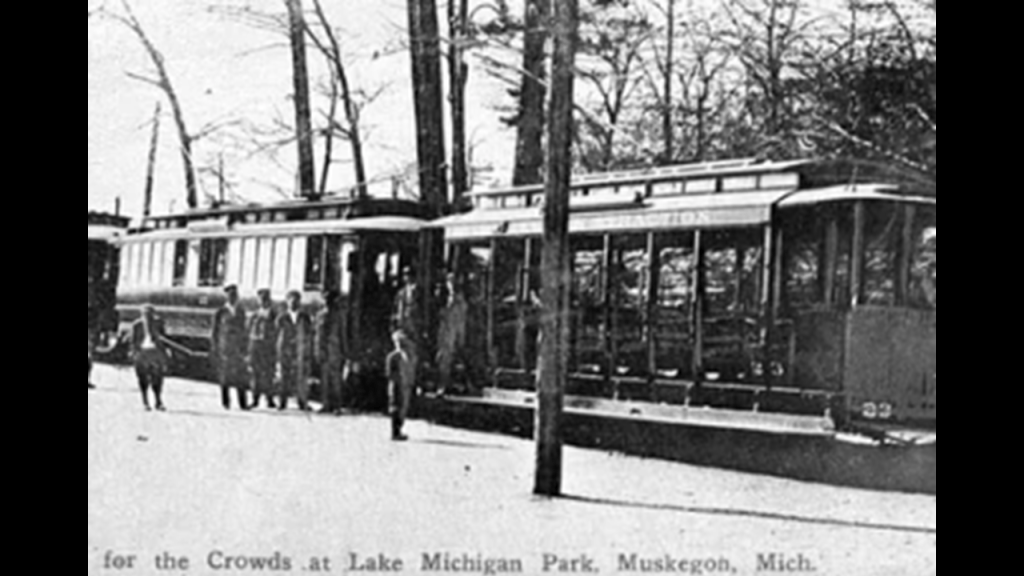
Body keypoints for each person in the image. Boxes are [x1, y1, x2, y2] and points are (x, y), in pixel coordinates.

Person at [212, 285, 250, 410]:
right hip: (225, 348)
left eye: (235, 295)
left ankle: (243, 403)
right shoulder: (221, 312)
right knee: (225, 376)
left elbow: (244, 330)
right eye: (230, 295)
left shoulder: (241, 311)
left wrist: (245, 347)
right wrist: (216, 348)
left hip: (238, 348)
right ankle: (226, 402)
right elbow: (215, 332)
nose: (233, 298)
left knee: (241, 376)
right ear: (227, 297)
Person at [276, 290, 313, 411]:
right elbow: (276, 334)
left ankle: (302, 402)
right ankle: (282, 402)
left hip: (299, 350)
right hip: (285, 350)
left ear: (299, 302)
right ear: (287, 302)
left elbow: (309, 334)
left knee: (300, 377)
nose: (293, 303)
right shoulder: (282, 318)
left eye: (296, 301)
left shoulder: (305, 317)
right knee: (284, 376)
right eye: (291, 301)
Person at [315, 289, 349, 415]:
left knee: (335, 379)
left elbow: (342, 333)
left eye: (329, 301)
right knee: (324, 378)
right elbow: (317, 334)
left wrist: (344, 351)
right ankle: (325, 404)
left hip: (335, 349)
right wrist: (317, 349)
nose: (327, 303)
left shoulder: (339, 316)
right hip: (323, 348)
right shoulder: (320, 315)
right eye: (325, 300)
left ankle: (337, 405)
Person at [131, 305, 169, 411]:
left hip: (155, 352)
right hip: (143, 353)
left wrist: (164, 350)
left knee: (157, 378)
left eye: (150, 315)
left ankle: (158, 402)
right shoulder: (137, 325)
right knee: (143, 379)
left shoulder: (158, 323)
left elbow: (165, 339)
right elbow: (133, 341)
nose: (147, 317)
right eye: (145, 314)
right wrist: (134, 353)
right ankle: (145, 402)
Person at [436, 272, 468, 395]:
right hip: (445, 333)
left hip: (452, 334)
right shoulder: (444, 299)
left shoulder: (459, 301)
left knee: (450, 359)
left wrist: (460, 336)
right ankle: (443, 383)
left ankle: (447, 384)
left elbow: (460, 320)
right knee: (443, 359)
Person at [247, 288, 277, 409]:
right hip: (256, 347)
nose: (263, 302)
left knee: (269, 374)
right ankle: (255, 399)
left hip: (268, 347)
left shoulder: (274, 315)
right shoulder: (254, 315)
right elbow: (248, 331)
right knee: (255, 374)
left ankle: (270, 399)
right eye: (261, 299)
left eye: (265, 299)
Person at [386, 330, 418, 441]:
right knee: (396, 406)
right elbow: (390, 373)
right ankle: (395, 432)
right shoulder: (393, 357)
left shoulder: (409, 357)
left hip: (405, 385)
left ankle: (399, 429)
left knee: (403, 407)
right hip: (397, 384)